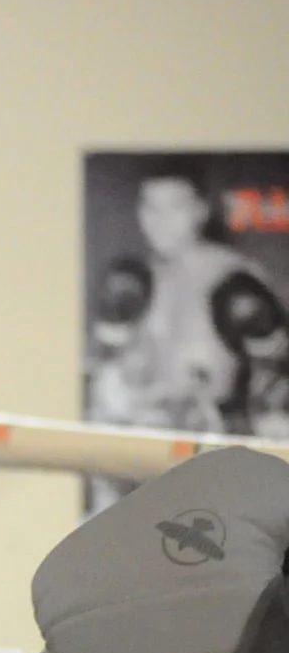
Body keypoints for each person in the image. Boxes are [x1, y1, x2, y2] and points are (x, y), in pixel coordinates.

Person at [85, 160, 289, 512]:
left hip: (216, 468)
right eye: (151, 206)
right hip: (142, 472)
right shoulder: (132, 282)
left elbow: (276, 388)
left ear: (200, 210)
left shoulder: (235, 279)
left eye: (174, 206)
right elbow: (105, 392)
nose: (160, 220)